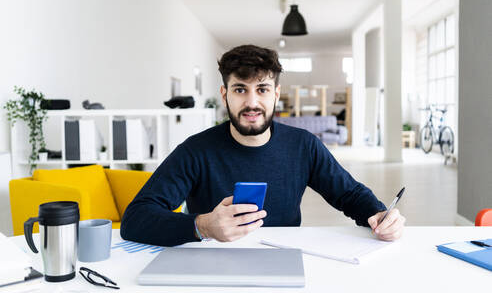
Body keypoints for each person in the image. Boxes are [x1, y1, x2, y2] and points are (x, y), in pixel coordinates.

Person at [120, 45, 405, 246]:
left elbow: (350, 194)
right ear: (225, 94)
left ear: (276, 94)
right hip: (210, 263)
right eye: (240, 89)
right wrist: (202, 226)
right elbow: (136, 219)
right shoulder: (195, 151)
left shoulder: (303, 146)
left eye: (262, 89)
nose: (252, 102)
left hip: (283, 259)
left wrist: (380, 215)